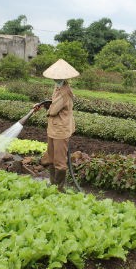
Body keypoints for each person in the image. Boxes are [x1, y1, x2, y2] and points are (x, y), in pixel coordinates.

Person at [33, 59, 79, 192]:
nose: (55, 80)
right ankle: (53, 183)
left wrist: (43, 107)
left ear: (63, 78)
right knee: (51, 158)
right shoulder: (58, 87)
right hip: (53, 128)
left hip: (60, 130)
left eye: (57, 78)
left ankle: (59, 187)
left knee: (60, 163)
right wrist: (41, 104)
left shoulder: (65, 92)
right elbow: (52, 103)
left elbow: (53, 110)